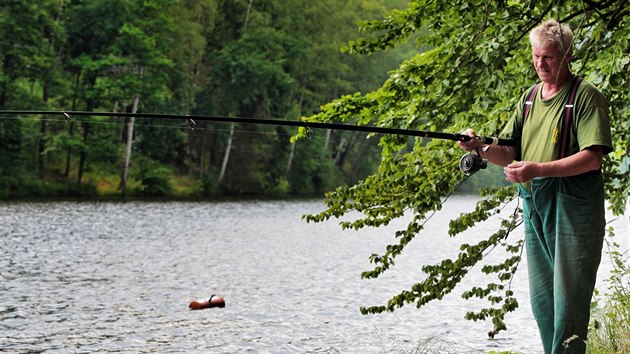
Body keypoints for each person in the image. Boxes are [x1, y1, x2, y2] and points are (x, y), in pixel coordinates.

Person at [458, 19, 612, 354]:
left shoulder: (585, 97)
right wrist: (479, 146)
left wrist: (537, 169)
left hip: (574, 209)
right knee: (543, 300)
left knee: (569, 302)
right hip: (534, 207)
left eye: (550, 57)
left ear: (568, 55)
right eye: (536, 56)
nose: (541, 64)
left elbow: (592, 158)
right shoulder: (528, 99)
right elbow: (509, 151)